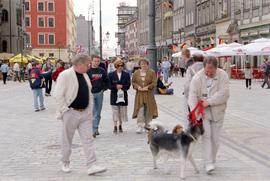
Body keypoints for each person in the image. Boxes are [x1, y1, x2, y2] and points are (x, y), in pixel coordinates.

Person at [54, 54, 107, 175]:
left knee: (88, 139)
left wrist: (89, 110)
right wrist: (64, 110)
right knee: (67, 139)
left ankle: (92, 165)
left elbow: (88, 92)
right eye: (87, 64)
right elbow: (58, 94)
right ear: (79, 64)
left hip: (84, 113)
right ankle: (65, 162)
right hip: (71, 112)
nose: (89, 66)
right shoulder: (65, 75)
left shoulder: (84, 75)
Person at [188, 56, 230, 174]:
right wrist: (194, 113)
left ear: (216, 68)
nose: (209, 73)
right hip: (203, 113)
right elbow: (192, 96)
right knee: (206, 137)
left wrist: (209, 101)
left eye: (211, 71)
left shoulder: (223, 75)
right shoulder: (197, 78)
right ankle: (208, 163)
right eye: (207, 71)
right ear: (204, 67)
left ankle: (212, 159)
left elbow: (224, 94)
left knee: (215, 139)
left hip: (218, 111)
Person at [132, 58, 158, 133]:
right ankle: (140, 126)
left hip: (148, 94)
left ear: (147, 64)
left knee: (149, 109)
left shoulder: (152, 72)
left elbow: (154, 82)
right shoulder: (136, 73)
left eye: (145, 64)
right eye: (142, 64)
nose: (143, 65)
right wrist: (138, 87)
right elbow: (133, 82)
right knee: (140, 109)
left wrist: (148, 87)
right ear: (139, 65)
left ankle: (148, 125)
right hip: (139, 94)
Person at [87, 55, 109, 138]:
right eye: (95, 61)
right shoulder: (88, 71)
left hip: (99, 93)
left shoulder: (102, 70)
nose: (96, 63)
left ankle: (96, 128)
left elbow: (107, 80)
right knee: (92, 112)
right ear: (91, 61)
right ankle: (93, 129)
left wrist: (104, 89)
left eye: (98, 61)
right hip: (90, 93)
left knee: (98, 112)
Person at [108, 59, 131, 133]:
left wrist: (122, 86)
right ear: (115, 66)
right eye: (118, 65)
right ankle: (115, 125)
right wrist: (116, 86)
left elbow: (128, 85)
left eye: (122, 65)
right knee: (115, 111)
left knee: (121, 111)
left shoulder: (126, 74)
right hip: (114, 95)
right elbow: (109, 85)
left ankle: (120, 125)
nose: (120, 67)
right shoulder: (111, 75)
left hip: (123, 96)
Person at [183, 54, 204, 129]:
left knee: (193, 111)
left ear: (194, 60)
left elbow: (187, 84)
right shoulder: (207, 68)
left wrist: (186, 94)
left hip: (193, 94)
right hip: (205, 95)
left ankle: (193, 128)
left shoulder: (190, 69)